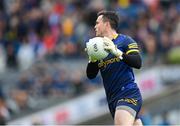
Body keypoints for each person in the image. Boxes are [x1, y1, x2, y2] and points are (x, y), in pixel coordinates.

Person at [86, 11, 143, 125]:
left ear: (106, 24)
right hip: (112, 99)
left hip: (127, 93)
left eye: (97, 23)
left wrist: (117, 52)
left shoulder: (125, 41)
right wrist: (92, 59)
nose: (95, 26)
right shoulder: (98, 48)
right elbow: (90, 75)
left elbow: (138, 62)